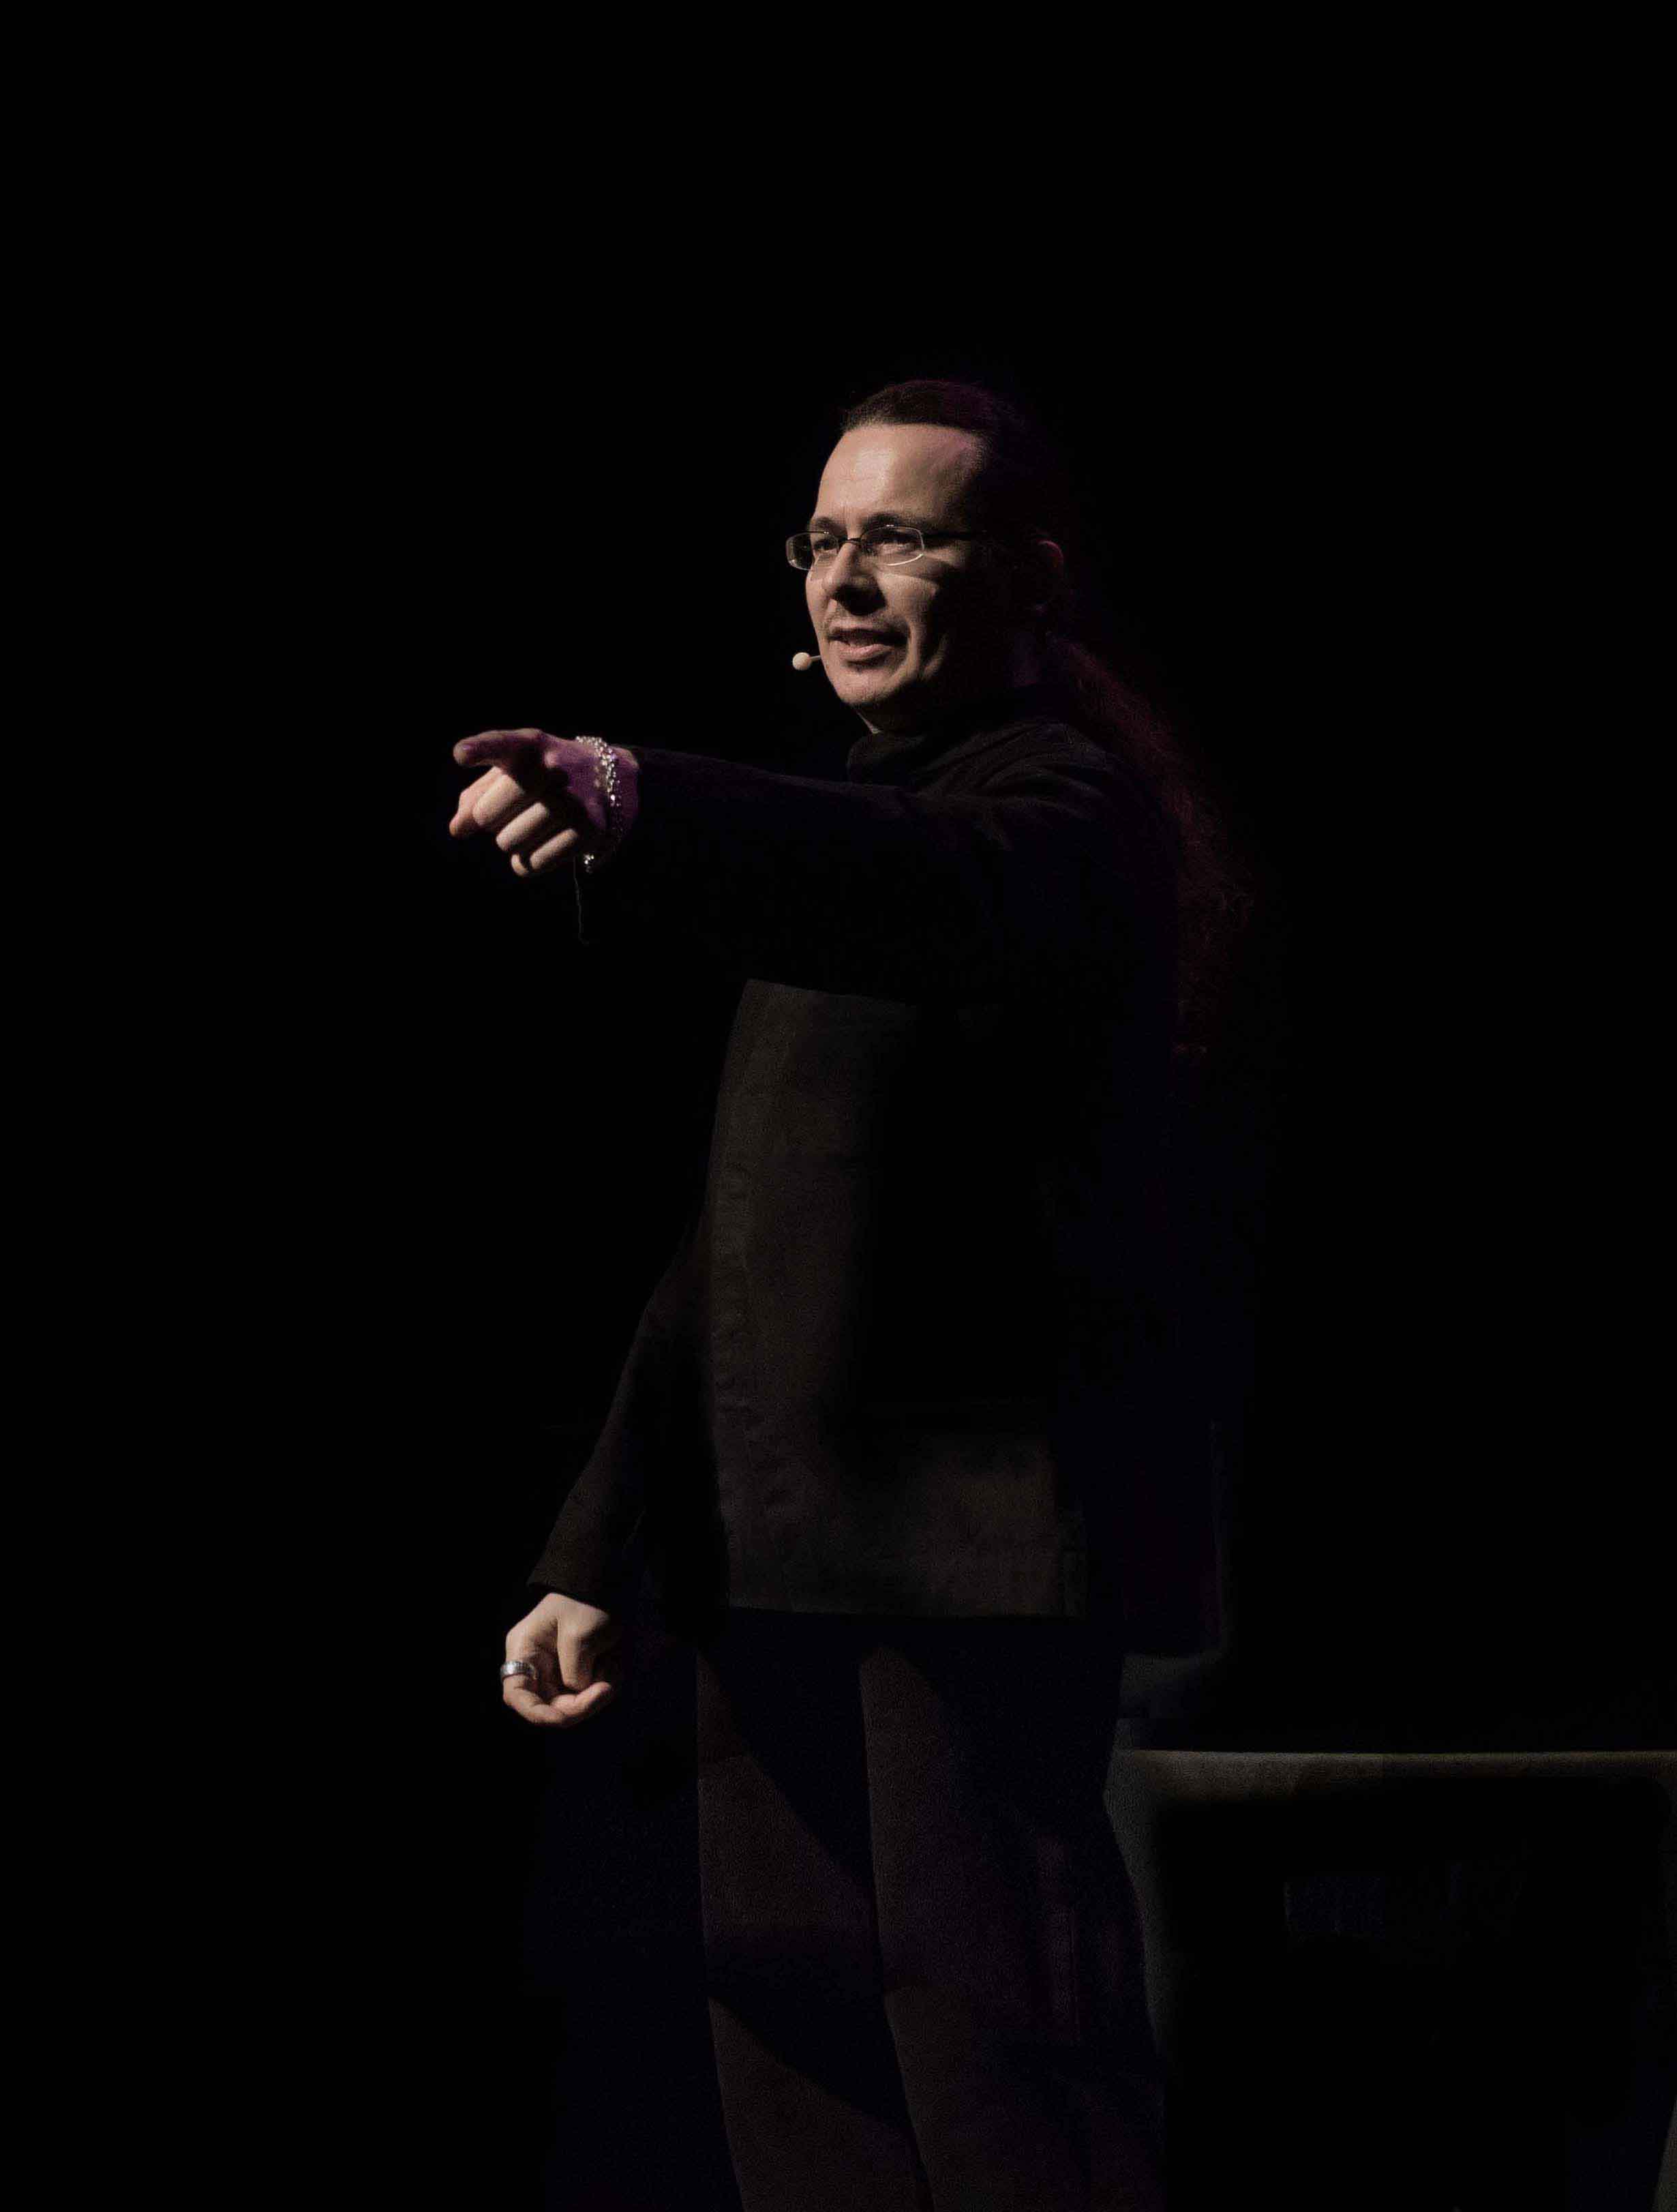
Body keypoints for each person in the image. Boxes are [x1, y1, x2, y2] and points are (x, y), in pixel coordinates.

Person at [449, 379, 1247, 2211]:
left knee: (1000, 2059)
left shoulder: (1056, 813)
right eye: (824, 538)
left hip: (971, 1559)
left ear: (1030, 580)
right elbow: (744, 1242)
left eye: (901, 536)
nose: (847, 577)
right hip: (785, 1550)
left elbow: (931, 883)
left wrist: (640, 796)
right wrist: (602, 1545)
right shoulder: (847, 842)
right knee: (799, 2052)